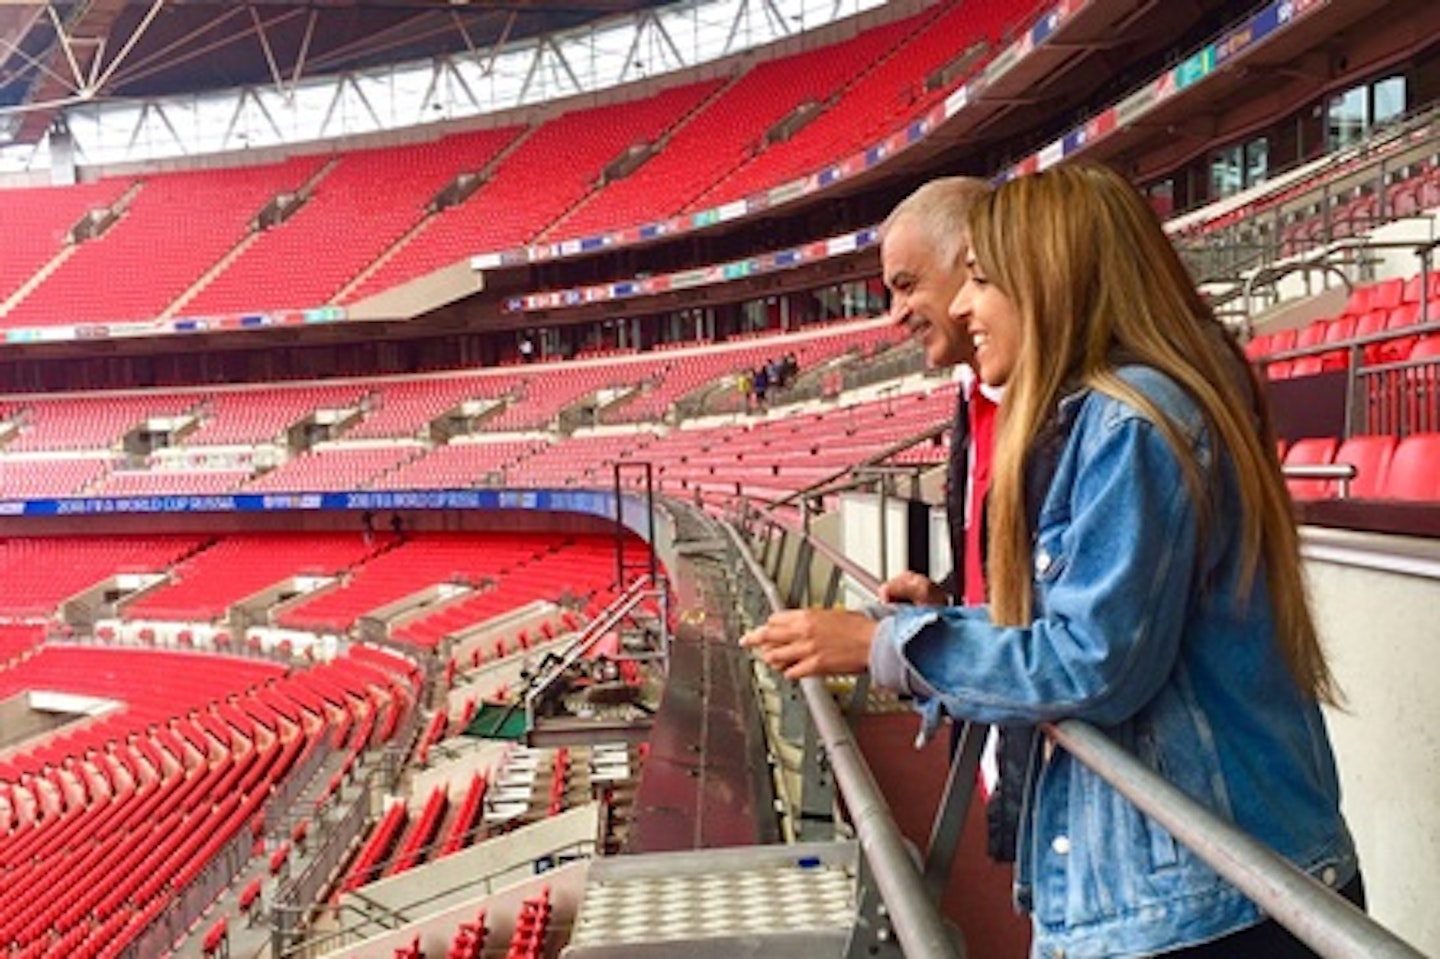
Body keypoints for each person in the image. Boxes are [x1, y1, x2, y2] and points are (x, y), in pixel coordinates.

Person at [742, 163, 1360, 959]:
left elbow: (1093, 661)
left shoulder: (1132, 421)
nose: (963, 308)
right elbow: (1079, 619)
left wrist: (884, 646)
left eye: (981, 281)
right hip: (1192, 897)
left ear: (1048, 281)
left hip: (1212, 910)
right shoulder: (1118, 412)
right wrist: (923, 627)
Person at [877, 175, 1025, 862]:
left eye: (907, 284)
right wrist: (950, 604)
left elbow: (1088, 647)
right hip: (1015, 749)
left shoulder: (1081, 411)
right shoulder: (972, 397)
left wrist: (886, 647)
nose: (894, 313)